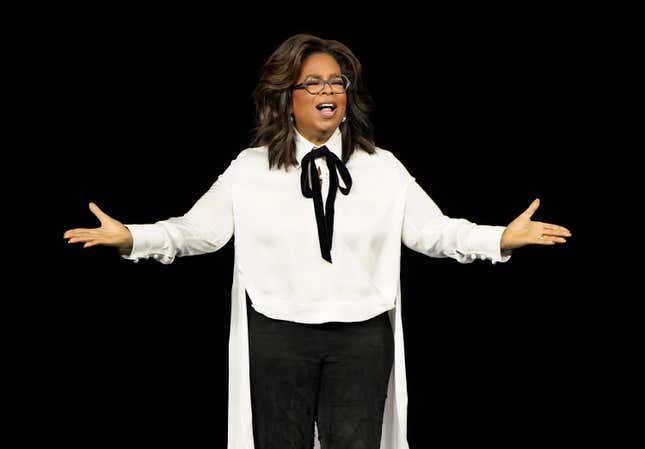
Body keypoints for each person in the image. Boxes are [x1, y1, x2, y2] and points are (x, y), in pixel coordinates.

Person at [63, 34, 571, 449]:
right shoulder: (251, 167)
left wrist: (499, 237)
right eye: (313, 82)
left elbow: (434, 232)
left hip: (362, 337)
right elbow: (199, 232)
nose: (328, 89)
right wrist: (133, 237)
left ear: (347, 96)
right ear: (287, 97)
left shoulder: (382, 167)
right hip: (277, 333)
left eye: (337, 80)